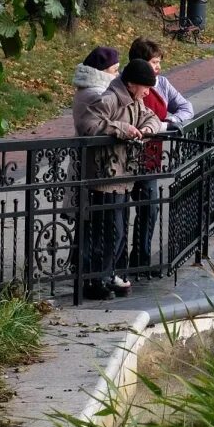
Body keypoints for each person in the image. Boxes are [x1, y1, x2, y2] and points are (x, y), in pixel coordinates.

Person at [76, 59, 164, 300]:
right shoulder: (110, 99)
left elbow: (153, 118)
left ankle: (108, 274)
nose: (148, 92)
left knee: (119, 230)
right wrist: (122, 129)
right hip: (105, 176)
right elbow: (87, 124)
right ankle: (94, 280)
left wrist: (146, 130)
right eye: (146, 87)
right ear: (133, 83)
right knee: (105, 230)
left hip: (123, 176)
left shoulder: (137, 101)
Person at [119, 37, 194, 278]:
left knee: (149, 208)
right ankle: (117, 265)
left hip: (150, 159)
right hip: (122, 160)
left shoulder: (162, 85)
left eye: (159, 62)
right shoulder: (121, 85)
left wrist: (166, 123)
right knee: (118, 212)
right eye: (154, 62)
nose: (158, 67)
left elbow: (186, 108)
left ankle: (140, 259)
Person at [71, 46, 120, 131]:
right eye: (115, 70)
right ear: (103, 71)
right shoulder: (99, 95)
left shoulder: (86, 89)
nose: (118, 74)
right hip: (94, 142)